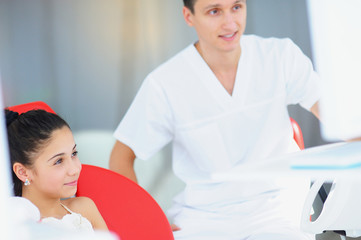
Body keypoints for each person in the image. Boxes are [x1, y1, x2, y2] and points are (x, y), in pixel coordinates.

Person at [109, 0, 320, 239]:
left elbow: (330, 110)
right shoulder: (165, 83)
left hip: (276, 205)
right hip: (203, 216)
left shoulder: (279, 56)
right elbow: (121, 156)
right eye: (214, 11)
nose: (230, 23)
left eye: (237, 7)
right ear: (189, 17)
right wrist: (143, 215)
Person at [5, 108, 108, 233]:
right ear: (23, 172)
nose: (74, 169)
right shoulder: (13, 228)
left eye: (74, 153)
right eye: (58, 161)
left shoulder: (85, 208)